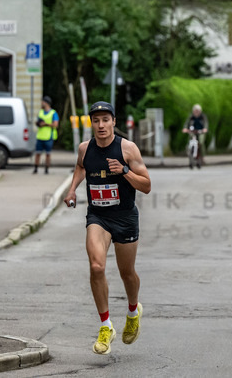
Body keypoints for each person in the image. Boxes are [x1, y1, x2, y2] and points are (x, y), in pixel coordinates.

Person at [64, 101, 152, 355]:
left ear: (114, 121)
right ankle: (106, 326)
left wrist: (124, 171)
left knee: (127, 273)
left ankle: (133, 311)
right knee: (96, 266)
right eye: (96, 120)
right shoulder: (85, 149)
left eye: (105, 120)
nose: (101, 125)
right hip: (98, 216)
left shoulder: (127, 148)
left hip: (124, 217)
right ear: (91, 123)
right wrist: (72, 189)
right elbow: (81, 166)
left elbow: (146, 186)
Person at [34, 96, 59, 174]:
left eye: (42, 102)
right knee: (37, 153)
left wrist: (45, 124)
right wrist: (38, 123)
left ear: (46, 103)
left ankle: (46, 169)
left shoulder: (53, 113)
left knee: (48, 154)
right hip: (40, 136)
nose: (41, 103)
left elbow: (55, 124)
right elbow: (38, 121)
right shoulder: (41, 112)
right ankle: (35, 168)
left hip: (49, 137)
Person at [181, 104, 208, 169]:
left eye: (197, 111)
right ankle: (189, 152)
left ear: (200, 111)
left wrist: (205, 129)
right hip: (193, 131)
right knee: (190, 141)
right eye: (195, 111)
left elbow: (206, 124)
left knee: (201, 142)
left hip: (200, 132)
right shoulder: (191, 117)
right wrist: (185, 129)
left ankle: (202, 156)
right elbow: (186, 124)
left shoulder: (203, 117)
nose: (196, 112)